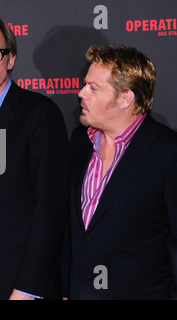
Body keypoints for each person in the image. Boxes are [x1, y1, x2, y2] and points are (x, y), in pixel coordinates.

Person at [0, 14, 69, 300]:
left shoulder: (39, 113)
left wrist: (28, 289)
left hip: (27, 286)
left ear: (11, 58)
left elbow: (51, 207)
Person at [64, 44, 177, 299]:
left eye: (93, 88)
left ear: (125, 98)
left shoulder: (167, 153)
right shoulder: (81, 142)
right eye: (85, 84)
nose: (81, 93)